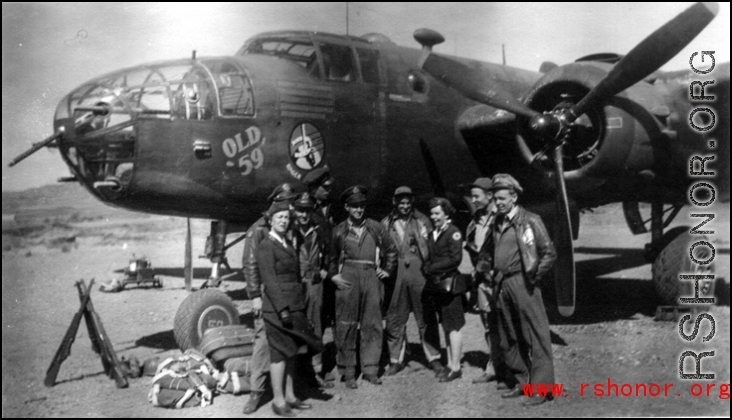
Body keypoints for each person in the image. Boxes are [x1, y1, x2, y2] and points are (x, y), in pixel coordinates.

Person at [486, 174, 557, 406]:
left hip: (523, 283)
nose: (498, 203)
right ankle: (522, 382)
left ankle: (541, 388)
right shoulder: (497, 222)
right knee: (509, 336)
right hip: (502, 284)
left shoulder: (531, 220)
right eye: (495, 198)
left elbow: (549, 253)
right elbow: (489, 252)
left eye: (502, 198)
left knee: (536, 336)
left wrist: (533, 277)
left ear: (514, 196)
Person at [257, 200, 325, 417]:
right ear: (270, 220)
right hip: (278, 309)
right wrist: (283, 309)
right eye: (280, 218)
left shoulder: (287, 243)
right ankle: (278, 402)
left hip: (294, 305)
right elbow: (270, 281)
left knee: (293, 352)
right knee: (279, 355)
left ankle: (290, 396)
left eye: (287, 218)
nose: (284, 221)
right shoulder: (266, 246)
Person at [328, 185, 397, 388]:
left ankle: (370, 369)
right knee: (346, 323)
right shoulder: (339, 230)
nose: (359, 210)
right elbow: (331, 258)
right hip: (348, 276)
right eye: (354, 206)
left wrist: (387, 269)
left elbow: (391, 249)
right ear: (347, 207)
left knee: (372, 323)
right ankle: (348, 371)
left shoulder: (375, 227)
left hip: (371, 276)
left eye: (362, 206)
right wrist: (334, 276)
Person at [241, 183, 299, 415]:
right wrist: (255, 295)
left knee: (286, 342)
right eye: (285, 201)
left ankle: (287, 392)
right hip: (266, 295)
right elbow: (250, 264)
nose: (290, 206)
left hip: (286, 295)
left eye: (291, 201)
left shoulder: (289, 226)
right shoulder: (258, 230)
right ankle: (256, 392)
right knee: (262, 342)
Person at [381, 186, 432, 376]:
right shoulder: (386, 223)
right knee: (395, 316)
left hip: (418, 270)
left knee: (425, 314)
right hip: (396, 272)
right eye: (401, 202)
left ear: (412, 202)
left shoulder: (422, 220)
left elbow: (431, 246)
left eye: (407, 202)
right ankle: (396, 360)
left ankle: (433, 357)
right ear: (395, 202)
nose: (404, 206)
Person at [464, 178, 509, 388]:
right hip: (483, 280)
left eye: (476, 196)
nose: (473, 200)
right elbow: (474, 249)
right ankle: (494, 368)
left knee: (506, 323)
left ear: (489, 196)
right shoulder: (475, 220)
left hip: (501, 280)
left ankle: (512, 371)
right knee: (489, 325)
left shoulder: (502, 217)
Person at [291, 192, 333, 389]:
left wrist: (324, 269)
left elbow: (329, 250)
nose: (304, 214)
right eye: (300, 210)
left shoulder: (319, 229)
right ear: (294, 211)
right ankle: (297, 372)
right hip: (297, 284)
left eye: (307, 210)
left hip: (315, 283)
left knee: (315, 326)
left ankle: (316, 372)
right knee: (296, 326)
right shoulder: (290, 232)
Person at [421, 197, 465, 383]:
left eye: (437, 213)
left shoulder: (453, 232)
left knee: (454, 326)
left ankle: (456, 367)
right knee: (446, 326)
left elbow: (455, 259)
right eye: (432, 213)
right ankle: (450, 364)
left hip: (449, 286)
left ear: (446, 214)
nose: (433, 216)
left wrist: (431, 269)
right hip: (439, 286)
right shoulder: (433, 234)